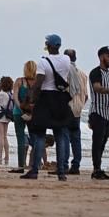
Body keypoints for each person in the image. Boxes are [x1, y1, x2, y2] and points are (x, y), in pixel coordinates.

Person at [20, 34, 72, 181]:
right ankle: (61, 172)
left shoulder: (43, 62)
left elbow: (38, 84)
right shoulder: (66, 60)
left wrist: (30, 101)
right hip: (60, 99)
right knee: (60, 135)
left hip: (46, 99)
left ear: (48, 46)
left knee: (40, 136)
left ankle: (34, 170)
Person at [88, 46, 109, 179]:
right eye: (108, 56)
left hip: (108, 114)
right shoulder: (95, 72)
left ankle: (98, 169)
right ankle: (96, 169)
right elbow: (97, 88)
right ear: (101, 57)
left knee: (103, 142)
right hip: (98, 113)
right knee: (97, 142)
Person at [8, 60, 37, 174]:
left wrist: (21, 109)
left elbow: (15, 97)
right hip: (32, 114)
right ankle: (33, 165)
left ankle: (21, 166)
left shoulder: (19, 81)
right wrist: (31, 113)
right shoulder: (37, 83)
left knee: (20, 139)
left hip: (18, 113)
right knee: (34, 138)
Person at [63, 48, 88, 175]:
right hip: (78, 109)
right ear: (75, 58)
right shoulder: (83, 74)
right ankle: (76, 165)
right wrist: (81, 105)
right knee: (76, 138)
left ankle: (64, 164)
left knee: (65, 137)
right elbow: (86, 95)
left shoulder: (65, 72)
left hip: (67, 107)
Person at [0, 76, 14, 167]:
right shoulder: (10, 94)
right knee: (4, 136)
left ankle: (0, 156)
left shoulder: (1, 94)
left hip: (0, 116)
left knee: (0, 136)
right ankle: (7, 156)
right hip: (7, 116)